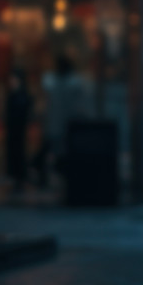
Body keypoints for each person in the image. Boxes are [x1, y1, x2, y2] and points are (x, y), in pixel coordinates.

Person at [34, 55, 90, 187]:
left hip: (63, 124)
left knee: (60, 153)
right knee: (54, 151)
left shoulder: (70, 82)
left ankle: (56, 178)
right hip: (57, 123)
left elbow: (79, 105)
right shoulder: (54, 81)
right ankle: (48, 177)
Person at [4, 70, 33, 190]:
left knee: (19, 152)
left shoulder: (21, 95)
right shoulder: (13, 94)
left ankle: (20, 176)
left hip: (19, 129)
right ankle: (16, 176)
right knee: (14, 152)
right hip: (13, 129)